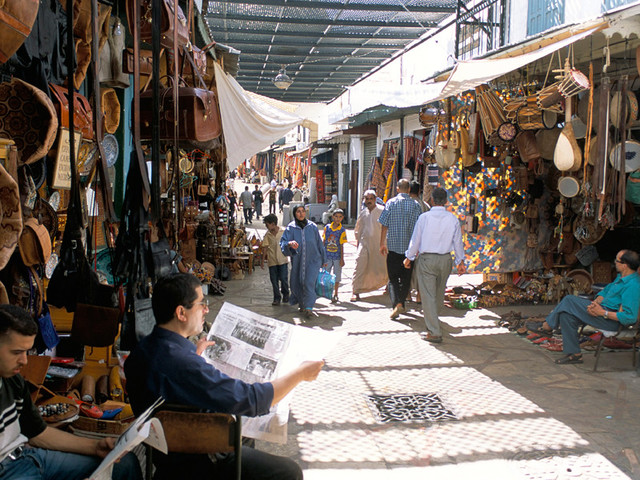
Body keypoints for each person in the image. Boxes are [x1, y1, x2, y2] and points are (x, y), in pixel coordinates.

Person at [124, 274, 324, 480]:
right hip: (202, 461)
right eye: (201, 303)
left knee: (244, 438)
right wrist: (299, 374)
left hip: (164, 460)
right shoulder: (185, 365)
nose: (206, 309)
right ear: (181, 313)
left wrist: (193, 355)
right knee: (289, 471)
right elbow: (251, 399)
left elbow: (171, 377)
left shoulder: (141, 353)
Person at [0, 304, 142, 480]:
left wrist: (95, 446)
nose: (24, 361)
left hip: (27, 457)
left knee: (124, 464)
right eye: (17, 352)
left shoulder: (13, 381)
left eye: (26, 352)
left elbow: (38, 433)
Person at [538, 249, 640, 364]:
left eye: (617, 260)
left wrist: (602, 312)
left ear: (624, 265)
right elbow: (605, 291)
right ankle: (575, 355)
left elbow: (629, 317)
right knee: (566, 316)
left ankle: (547, 326)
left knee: (569, 300)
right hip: (601, 311)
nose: (615, 262)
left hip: (611, 321)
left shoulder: (633, 285)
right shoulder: (621, 277)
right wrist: (595, 303)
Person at [404, 187, 466, 344]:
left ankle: (434, 331)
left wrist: (409, 257)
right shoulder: (452, 219)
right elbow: (457, 242)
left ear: (431, 200)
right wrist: (460, 262)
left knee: (428, 296)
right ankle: (434, 320)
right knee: (438, 294)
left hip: (427, 261)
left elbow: (415, 239)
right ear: (446, 201)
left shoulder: (424, 218)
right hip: (445, 260)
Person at [378, 179, 422, 320]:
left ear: (397, 189)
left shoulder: (390, 203)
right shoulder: (416, 205)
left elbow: (384, 225)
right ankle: (400, 303)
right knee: (406, 278)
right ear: (409, 189)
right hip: (409, 251)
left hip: (393, 248)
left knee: (393, 278)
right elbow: (419, 229)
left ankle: (397, 304)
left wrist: (382, 243)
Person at [280, 205, 326, 318]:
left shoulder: (312, 227)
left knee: (309, 282)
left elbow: (320, 243)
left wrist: (324, 259)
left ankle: (309, 308)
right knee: (299, 282)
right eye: (298, 212)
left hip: (313, 260)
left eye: (303, 211)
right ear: (294, 214)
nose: (301, 214)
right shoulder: (291, 227)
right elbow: (283, 242)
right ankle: (302, 303)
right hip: (298, 261)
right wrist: (290, 244)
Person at [351, 190, 388, 302]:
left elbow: (386, 228)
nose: (369, 201)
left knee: (383, 266)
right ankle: (355, 291)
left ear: (375, 199)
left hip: (380, 245)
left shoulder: (382, 211)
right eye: (367, 199)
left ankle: (387, 285)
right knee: (359, 264)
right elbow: (358, 230)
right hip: (365, 243)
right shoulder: (363, 213)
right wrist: (358, 245)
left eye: (371, 199)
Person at [409, 181, 430, 303]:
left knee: (408, 270)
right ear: (419, 191)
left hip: (408, 241)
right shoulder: (425, 205)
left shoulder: (407, 204)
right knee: (420, 270)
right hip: (422, 242)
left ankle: (407, 295)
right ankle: (419, 296)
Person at [262, 214, 290, 306]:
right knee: (274, 281)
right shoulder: (268, 235)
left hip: (282, 260)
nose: (267, 227)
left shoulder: (283, 232)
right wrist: (263, 260)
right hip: (272, 261)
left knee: (283, 278)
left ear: (273, 224)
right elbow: (265, 247)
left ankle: (285, 294)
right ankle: (276, 298)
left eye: (267, 225)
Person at [323, 209, 347, 303]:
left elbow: (341, 245)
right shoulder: (327, 228)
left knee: (337, 276)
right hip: (327, 256)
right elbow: (324, 241)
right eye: (336, 216)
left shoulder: (342, 230)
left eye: (340, 217)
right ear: (333, 217)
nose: (338, 219)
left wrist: (342, 259)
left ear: (342, 218)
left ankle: (336, 293)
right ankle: (328, 293)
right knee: (327, 275)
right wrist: (322, 255)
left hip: (337, 257)